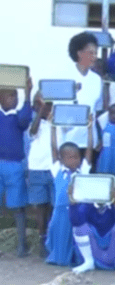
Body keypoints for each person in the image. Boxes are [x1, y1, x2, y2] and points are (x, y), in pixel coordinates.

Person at [46, 116, 93, 266]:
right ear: (61, 158)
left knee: (77, 237)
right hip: (60, 211)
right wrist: (53, 127)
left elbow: (90, 150)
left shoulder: (82, 171)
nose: (75, 160)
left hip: (78, 210)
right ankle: (58, 257)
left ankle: (77, 259)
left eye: (77, 157)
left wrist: (90, 128)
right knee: (58, 234)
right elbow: (53, 148)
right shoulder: (57, 170)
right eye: (70, 157)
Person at [0, 78, 33, 257]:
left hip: (14, 166)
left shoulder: (18, 117)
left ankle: (22, 245)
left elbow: (25, 118)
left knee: (18, 206)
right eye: (9, 96)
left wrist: (28, 94)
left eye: (15, 96)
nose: (14, 99)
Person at [68, 186, 115, 274]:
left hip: (113, 254)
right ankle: (88, 262)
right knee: (79, 228)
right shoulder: (88, 205)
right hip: (93, 254)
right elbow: (76, 222)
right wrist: (73, 203)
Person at [63, 32, 103, 151]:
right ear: (79, 53)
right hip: (68, 142)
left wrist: (99, 137)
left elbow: (97, 111)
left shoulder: (97, 79)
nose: (94, 57)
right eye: (90, 53)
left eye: (96, 53)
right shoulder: (65, 76)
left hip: (90, 143)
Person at [27, 92, 54, 258]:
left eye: (48, 106)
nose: (45, 109)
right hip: (36, 167)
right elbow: (33, 131)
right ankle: (42, 237)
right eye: (40, 106)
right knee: (39, 206)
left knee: (52, 205)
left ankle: (50, 237)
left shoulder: (56, 123)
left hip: (53, 168)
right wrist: (40, 111)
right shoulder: (35, 123)